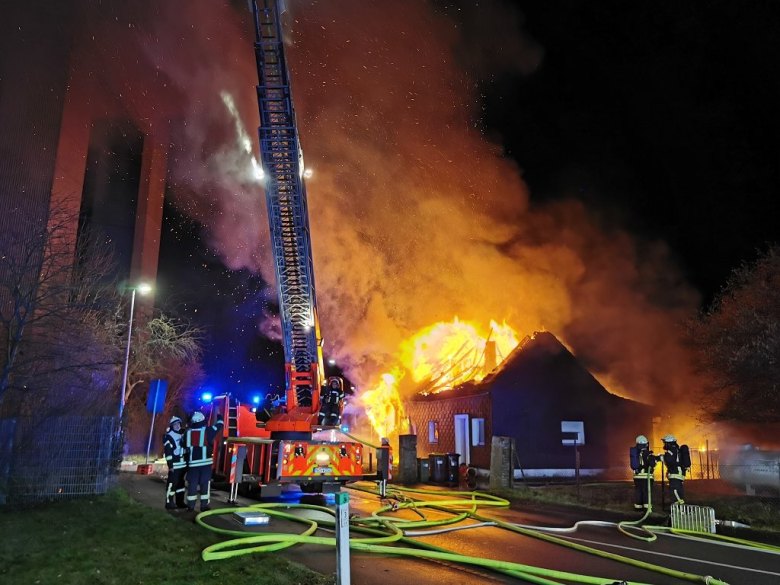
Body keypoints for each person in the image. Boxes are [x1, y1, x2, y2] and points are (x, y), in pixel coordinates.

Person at [183, 410, 223, 512]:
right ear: (202, 420)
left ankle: (190, 506)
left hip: (192, 465)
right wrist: (219, 417)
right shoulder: (207, 431)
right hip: (205, 465)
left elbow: (183, 445)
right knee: (205, 485)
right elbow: (219, 426)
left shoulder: (187, 433)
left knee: (192, 485)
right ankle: (204, 506)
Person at [162, 416, 187, 509]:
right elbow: (168, 452)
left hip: (183, 465)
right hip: (175, 465)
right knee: (172, 484)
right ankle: (169, 502)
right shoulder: (168, 436)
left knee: (181, 485)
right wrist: (170, 465)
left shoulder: (183, 434)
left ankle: (180, 502)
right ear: (172, 426)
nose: (177, 426)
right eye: (175, 424)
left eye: (178, 424)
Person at [630, 435, 656, 510]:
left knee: (638, 492)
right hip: (646, 477)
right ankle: (647, 509)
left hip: (637, 477)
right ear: (646, 444)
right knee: (647, 492)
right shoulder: (648, 453)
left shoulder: (636, 453)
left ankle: (638, 508)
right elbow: (652, 464)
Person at [661, 434, 687, 504]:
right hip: (677, 473)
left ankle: (681, 511)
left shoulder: (671, 450)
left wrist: (662, 457)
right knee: (677, 492)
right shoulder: (676, 449)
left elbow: (669, 460)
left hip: (675, 474)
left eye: (665, 442)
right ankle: (679, 510)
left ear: (668, 443)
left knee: (675, 492)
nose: (664, 444)